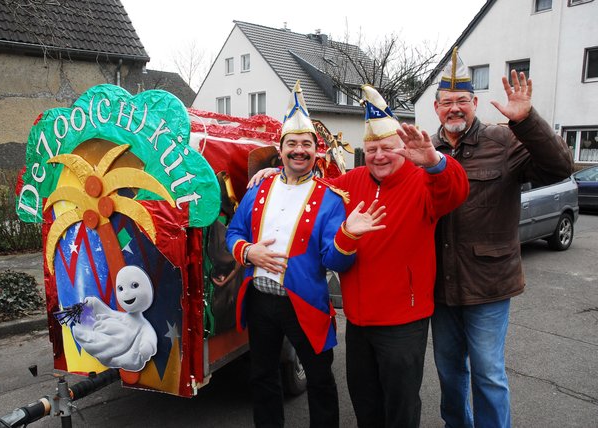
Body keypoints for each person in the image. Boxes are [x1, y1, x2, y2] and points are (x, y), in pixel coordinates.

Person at [249, 84, 470, 427]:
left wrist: (434, 161)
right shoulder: (350, 182)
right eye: (372, 149)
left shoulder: (423, 182)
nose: (380, 156)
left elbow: (456, 190)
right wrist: (274, 176)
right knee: (365, 400)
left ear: (404, 149)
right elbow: (309, 184)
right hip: (359, 318)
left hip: (403, 320)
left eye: (388, 148)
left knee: (400, 403)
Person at [226, 80, 386, 428]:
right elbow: (233, 233)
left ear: (318, 151)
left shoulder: (331, 199)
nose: (299, 150)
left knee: (319, 380)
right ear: (280, 150)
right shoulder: (259, 188)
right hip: (260, 300)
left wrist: (347, 235)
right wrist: (249, 251)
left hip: (305, 303)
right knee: (262, 377)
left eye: (306, 144)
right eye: (292, 144)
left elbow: (335, 261)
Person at [430, 47, 573, 428]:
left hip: (489, 283)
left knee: (488, 375)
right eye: (447, 102)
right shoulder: (424, 151)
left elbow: (559, 167)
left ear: (475, 102)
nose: (455, 108)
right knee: (448, 372)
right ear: (436, 107)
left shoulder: (503, 141)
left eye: (463, 100)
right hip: (439, 287)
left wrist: (526, 121)